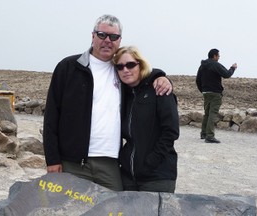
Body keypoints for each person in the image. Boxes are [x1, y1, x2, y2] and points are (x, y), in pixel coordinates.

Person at [43, 14, 172, 191]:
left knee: (114, 209)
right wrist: (52, 159)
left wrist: (160, 76)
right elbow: (51, 116)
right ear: (93, 36)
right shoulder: (68, 67)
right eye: (102, 35)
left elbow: (142, 74)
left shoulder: (121, 69)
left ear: (119, 40)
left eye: (113, 37)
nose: (107, 41)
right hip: (72, 163)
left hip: (110, 163)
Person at [113, 46, 180, 193]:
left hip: (157, 176)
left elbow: (171, 131)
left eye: (130, 64)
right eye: (120, 66)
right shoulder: (123, 95)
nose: (125, 70)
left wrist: (150, 163)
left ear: (140, 64)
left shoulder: (159, 90)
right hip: (128, 177)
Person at [196, 48, 237, 143]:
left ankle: (204, 133)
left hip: (206, 93)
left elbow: (198, 80)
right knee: (212, 114)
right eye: (218, 56)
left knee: (207, 113)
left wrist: (203, 91)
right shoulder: (215, 65)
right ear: (214, 56)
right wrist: (233, 68)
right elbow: (226, 74)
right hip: (215, 93)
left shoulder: (202, 66)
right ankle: (209, 136)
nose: (219, 57)